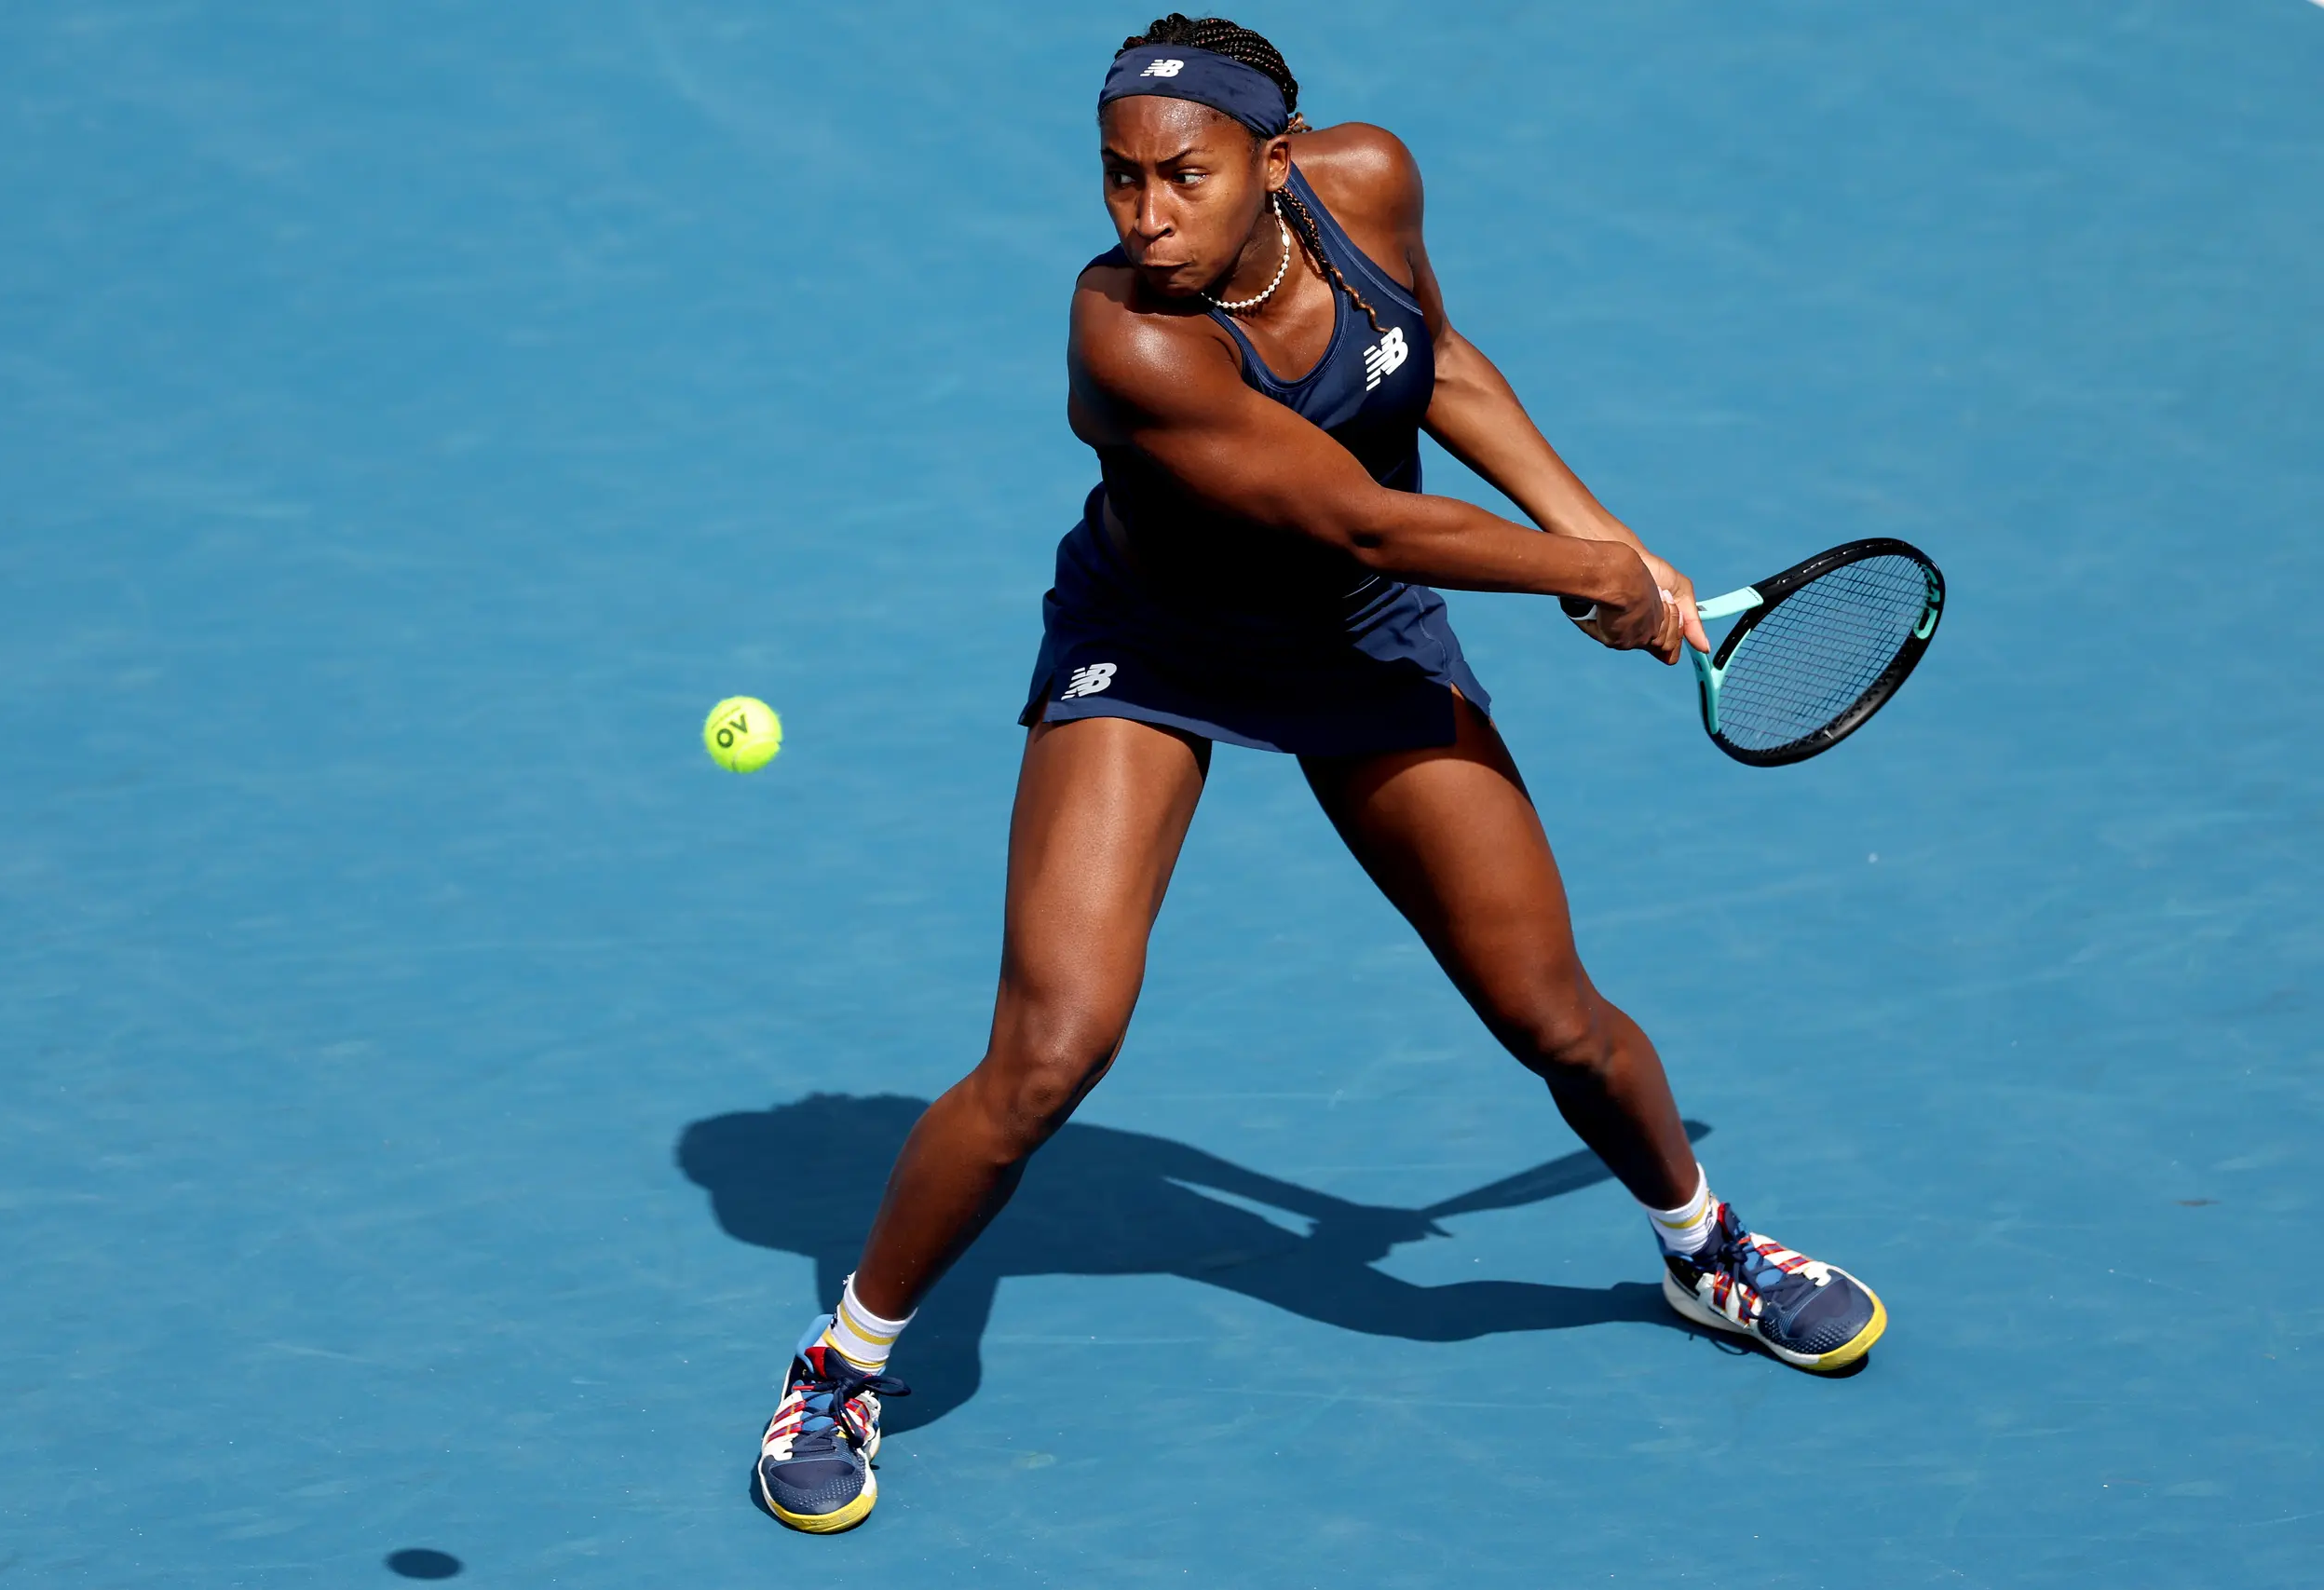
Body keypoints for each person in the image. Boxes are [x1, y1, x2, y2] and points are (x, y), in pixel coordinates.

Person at [754, 14, 1886, 1534]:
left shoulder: (1370, 185)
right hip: (1154, 653)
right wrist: (1578, 569)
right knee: (1050, 1048)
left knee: (1556, 1014)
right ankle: (844, 1358)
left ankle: (1706, 1249)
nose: (1144, 217)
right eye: (1117, 178)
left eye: (1185, 176)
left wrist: (1604, 537)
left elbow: (1438, 362)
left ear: (1276, 163)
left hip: (1361, 649)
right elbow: (1361, 516)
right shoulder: (1127, 335)